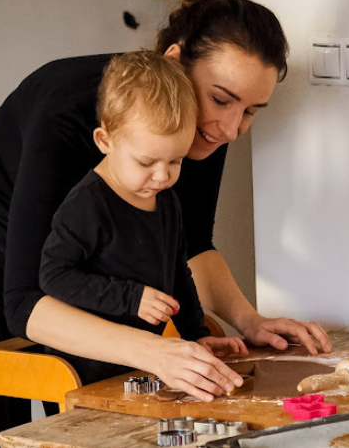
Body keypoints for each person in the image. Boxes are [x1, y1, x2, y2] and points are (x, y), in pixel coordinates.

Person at [0, 0, 332, 436]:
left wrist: (249, 320)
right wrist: (153, 351)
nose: (231, 129)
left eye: (249, 111)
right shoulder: (65, 111)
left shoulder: (203, 126)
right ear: (174, 60)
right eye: (221, 100)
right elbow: (25, 302)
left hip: (86, 275)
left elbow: (190, 243)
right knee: (5, 436)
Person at [38, 50, 247, 385]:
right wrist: (131, 298)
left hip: (139, 370)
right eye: (146, 162)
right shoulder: (87, 205)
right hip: (84, 373)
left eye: (175, 161)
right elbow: (54, 276)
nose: (162, 176)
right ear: (105, 141)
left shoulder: (165, 201)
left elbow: (178, 274)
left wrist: (196, 334)